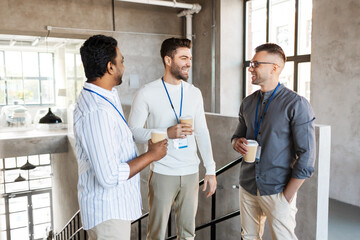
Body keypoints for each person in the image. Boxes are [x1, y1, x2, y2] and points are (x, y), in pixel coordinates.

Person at [74, 35, 168, 240]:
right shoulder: (97, 112)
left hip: (114, 210)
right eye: (121, 61)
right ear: (110, 67)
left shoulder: (106, 94)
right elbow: (108, 177)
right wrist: (151, 155)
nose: (124, 67)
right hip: (108, 215)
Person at [128, 37, 217, 240]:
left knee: (187, 234)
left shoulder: (194, 93)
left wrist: (210, 170)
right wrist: (166, 133)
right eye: (183, 57)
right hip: (162, 172)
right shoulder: (146, 93)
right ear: (168, 60)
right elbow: (133, 131)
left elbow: (202, 132)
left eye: (190, 58)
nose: (189, 63)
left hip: (190, 172)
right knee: (157, 234)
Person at [231, 43, 316, 240]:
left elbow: (307, 156)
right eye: (251, 64)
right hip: (248, 185)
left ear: (274, 68)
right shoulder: (248, 102)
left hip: (278, 189)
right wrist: (236, 142)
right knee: (249, 237)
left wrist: (286, 198)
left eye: (255, 64)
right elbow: (236, 136)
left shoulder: (296, 104)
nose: (250, 68)